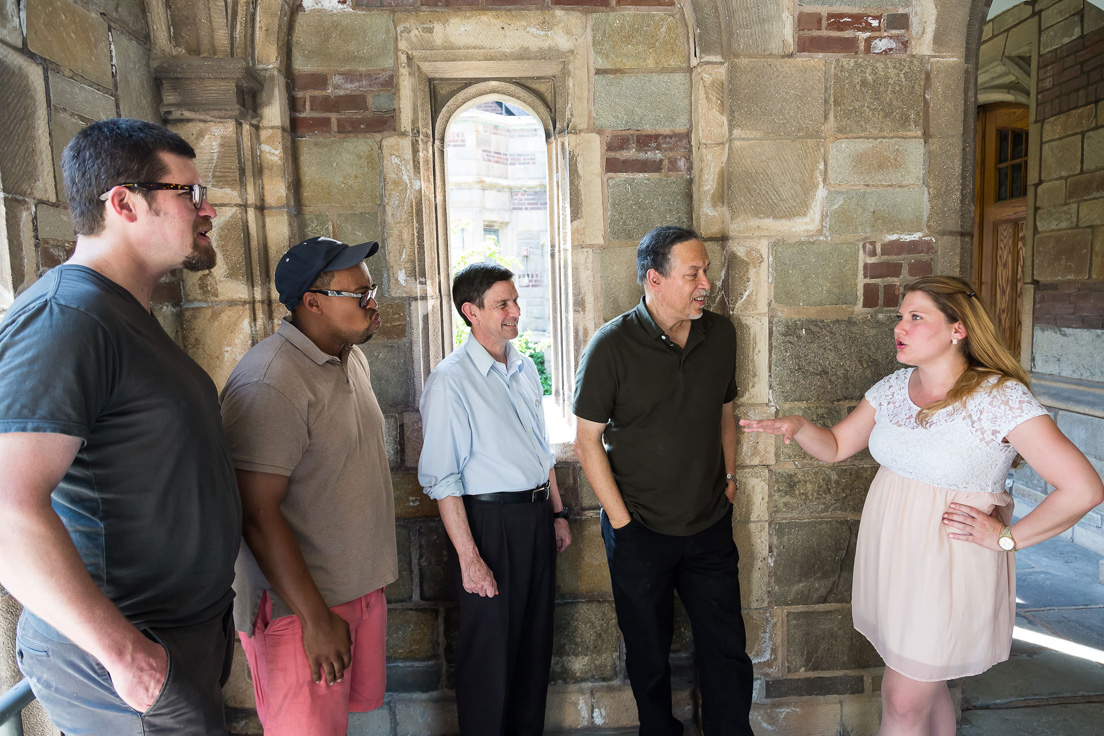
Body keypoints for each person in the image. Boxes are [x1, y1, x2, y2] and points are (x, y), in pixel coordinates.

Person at [741, 275, 1104, 736]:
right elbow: (834, 446)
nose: (901, 327)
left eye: (916, 317)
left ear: (958, 329)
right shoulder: (894, 387)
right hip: (895, 561)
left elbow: (1083, 488)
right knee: (924, 690)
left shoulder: (999, 398)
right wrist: (798, 426)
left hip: (948, 566)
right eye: (900, 317)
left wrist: (1007, 537)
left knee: (903, 701)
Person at [0, 118, 242, 733]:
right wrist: (127, 658)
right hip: (125, 656)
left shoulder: (118, 311)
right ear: (124, 202)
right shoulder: (67, 319)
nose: (206, 208)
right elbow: (7, 508)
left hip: (171, 639)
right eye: (188, 192)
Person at [573, 226, 754, 736]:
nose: (706, 284)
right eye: (693, 273)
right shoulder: (610, 346)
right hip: (639, 531)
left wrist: (731, 476)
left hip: (709, 524)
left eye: (707, 271)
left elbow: (726, 409)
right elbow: (587, 441)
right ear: (654, 278)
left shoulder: (721, 334)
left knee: (726, 650)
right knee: (648, 654)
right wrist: (623, 524)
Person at [219, 236, 398, 736]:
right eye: (358, 294)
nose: (372, 302)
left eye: (371, 289)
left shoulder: (348, 357)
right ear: (313, 302)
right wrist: (315, 619)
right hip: (302, 610)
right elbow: (256, 513)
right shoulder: (270, 381)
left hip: (356, 590)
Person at [418, 262, 572, 735]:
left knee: (533, 646)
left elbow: (539, 447)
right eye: (502, 304)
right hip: (488, 525)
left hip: (535, 520)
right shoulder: (450, 380)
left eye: (515, 301)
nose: (515, 312)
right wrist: (470, 558)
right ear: (471, 312)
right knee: (489, 655)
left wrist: (559, 512)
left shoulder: (523, 366)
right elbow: (442, 479)